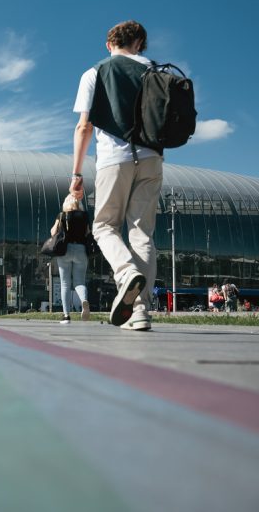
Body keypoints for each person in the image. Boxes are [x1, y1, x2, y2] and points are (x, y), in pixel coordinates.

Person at [70, 20, 162, 331]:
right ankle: (140, 311)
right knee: (142, 233)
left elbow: (84, 127)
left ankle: (126, 273)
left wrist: (76, 172)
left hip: (114, 158)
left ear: (109, 44)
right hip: (152, 158)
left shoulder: (95, 72)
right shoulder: (155, 70)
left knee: (104, 226)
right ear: (139, 44)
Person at [54, 194, 91, 324]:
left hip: (65, 250)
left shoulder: (62, 215)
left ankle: (66, 316)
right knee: (79, 282)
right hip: (81, 250)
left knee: (65, 283)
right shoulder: (85, 216)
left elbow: (53, 232)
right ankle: (84, 300)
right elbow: (88, 233)